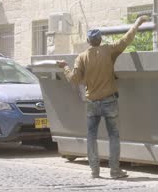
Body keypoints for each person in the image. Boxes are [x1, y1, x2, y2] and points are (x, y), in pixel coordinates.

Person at [56, 15, 149, 179]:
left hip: (92, 102)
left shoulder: (82, 57)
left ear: (88, 41)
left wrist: (65, 67)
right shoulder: (108, 50)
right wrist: (137, 23)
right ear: (100, 39)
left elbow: (74, 79)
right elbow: (126, 39)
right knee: (114, 135)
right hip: (109, 100)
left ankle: (94, 171)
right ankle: (115, 171)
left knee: (91, 135)